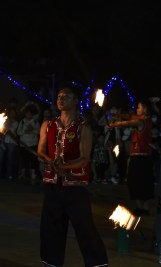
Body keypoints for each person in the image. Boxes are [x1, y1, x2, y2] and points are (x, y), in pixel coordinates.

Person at [37, 86, 108, 267]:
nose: (60, 99)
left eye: (66, 96)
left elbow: (84, 159)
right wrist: (49, 161)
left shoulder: (83, 128)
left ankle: (97, 264)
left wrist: (64, 166)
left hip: (75, 186)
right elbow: (40, 151)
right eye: (59, 96)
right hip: (53, 184)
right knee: (51, 227)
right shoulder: (48, 125)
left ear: (76, 100)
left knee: (85, 228)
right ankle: (50, 262)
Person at [107, 100, 154, 216]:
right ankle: (140, 207)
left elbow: (127, 123)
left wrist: (114, 124)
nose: (137, 109)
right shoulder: (143, 120)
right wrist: (118, 115)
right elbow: (128, 116)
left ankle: (145, 208)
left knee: (143, 182)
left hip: (142, 158)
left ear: (145, 109)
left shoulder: (141, 121)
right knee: (135, 181)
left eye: (139, 107)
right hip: (137, 157)